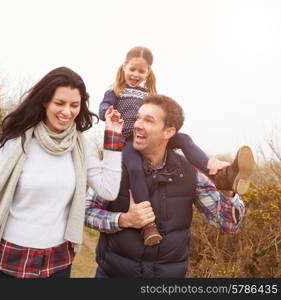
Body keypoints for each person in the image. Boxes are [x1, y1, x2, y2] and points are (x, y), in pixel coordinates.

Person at [85, 94, 254, 278]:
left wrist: (227, 191)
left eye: (148, 120)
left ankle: (226, 177)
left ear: (168, 132)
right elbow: (85, 211)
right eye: (138, 118)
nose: (137, 125)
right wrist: (123, 220)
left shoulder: (189, 173)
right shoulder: (115, 165)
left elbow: (229, 224)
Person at [0, 66, 124, 278]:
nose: (67, 112)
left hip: (58, 260)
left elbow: (108, 191)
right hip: (13, 256)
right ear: (45, 101)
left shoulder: (82, 145)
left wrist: (113, 138)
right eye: (59, 103)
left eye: (74, 105)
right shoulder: (15, 143)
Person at [98, 46, 246, 246]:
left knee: (184, 138)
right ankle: (148, 225)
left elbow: (231, 226)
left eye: (141, 71)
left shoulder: (148, 94)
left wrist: (227, 194)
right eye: (132, 69)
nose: (135, 74)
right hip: (127, 140)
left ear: (148, 72)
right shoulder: (115, 90)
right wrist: (109, 113)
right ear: (124, 67)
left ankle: (217, 173)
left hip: (168, 268)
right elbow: (102, 109)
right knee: (134, 168)